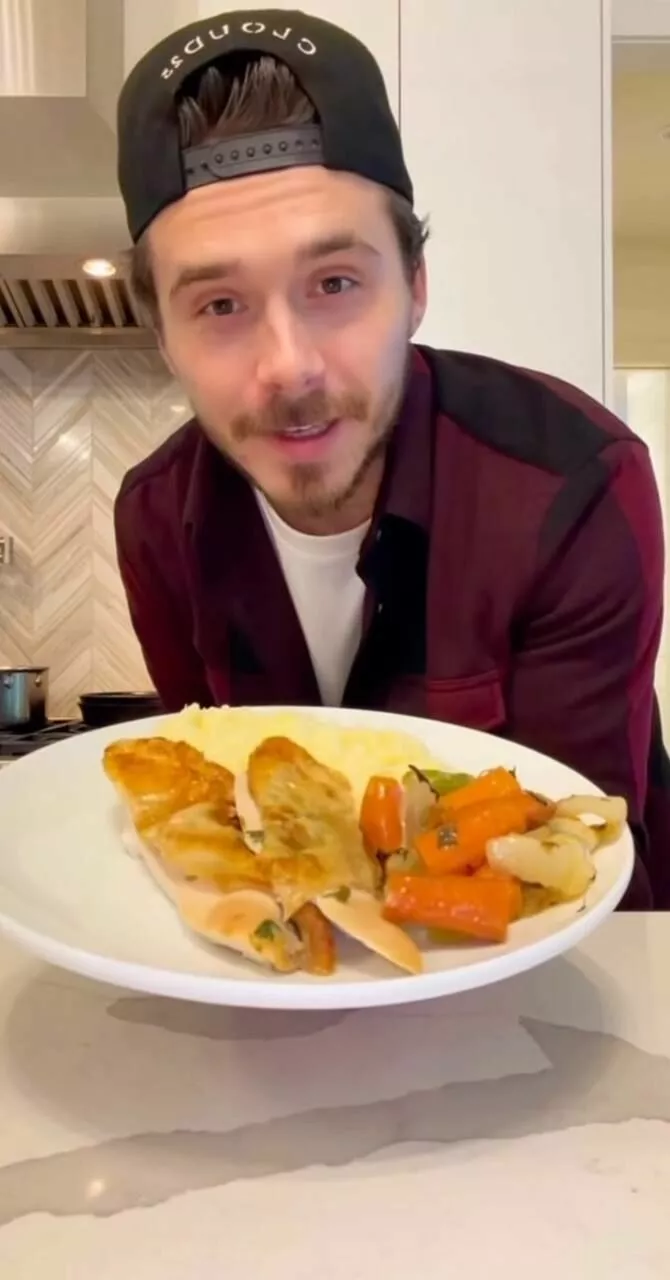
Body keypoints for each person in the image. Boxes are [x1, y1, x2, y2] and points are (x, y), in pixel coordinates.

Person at [114, 9, 670, 909]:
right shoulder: (154, 519)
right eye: (219, 305)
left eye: (335, 283)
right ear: (162, 337)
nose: (289, 367)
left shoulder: (571, 484)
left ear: (414, 285)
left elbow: (578, 861)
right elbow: (217, 810)